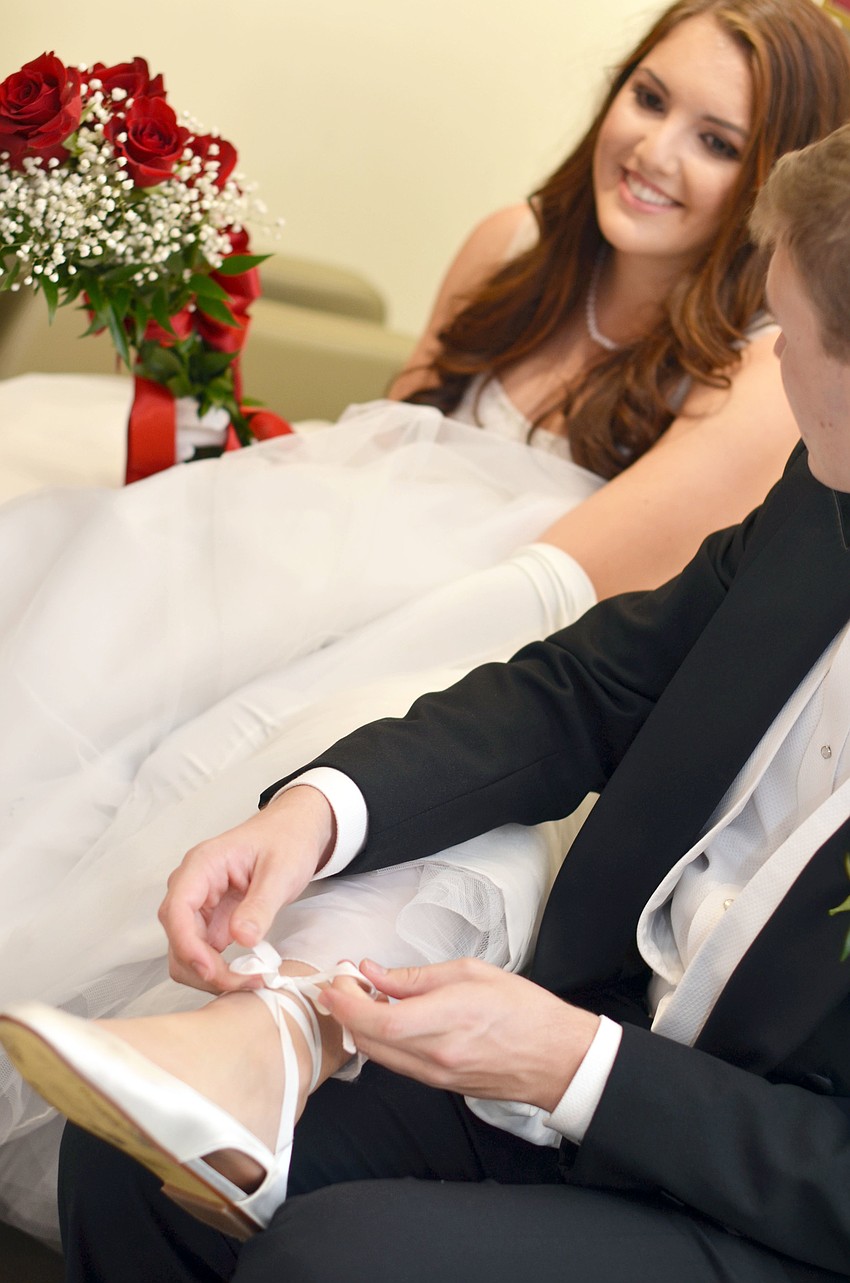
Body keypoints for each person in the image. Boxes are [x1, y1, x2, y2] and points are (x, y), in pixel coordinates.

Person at [0, 0, 848, 1248]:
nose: (769, 351)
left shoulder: (753, 410)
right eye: (650, 97)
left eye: (797, 335)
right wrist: (320, 804)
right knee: (123, 1168)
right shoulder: (815, 506)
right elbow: (587, 686)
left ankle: (282, 1028)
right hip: (609, 1009)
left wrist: (575, 1063)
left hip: (749, 1149)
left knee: (337, 1249)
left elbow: (552, 590)